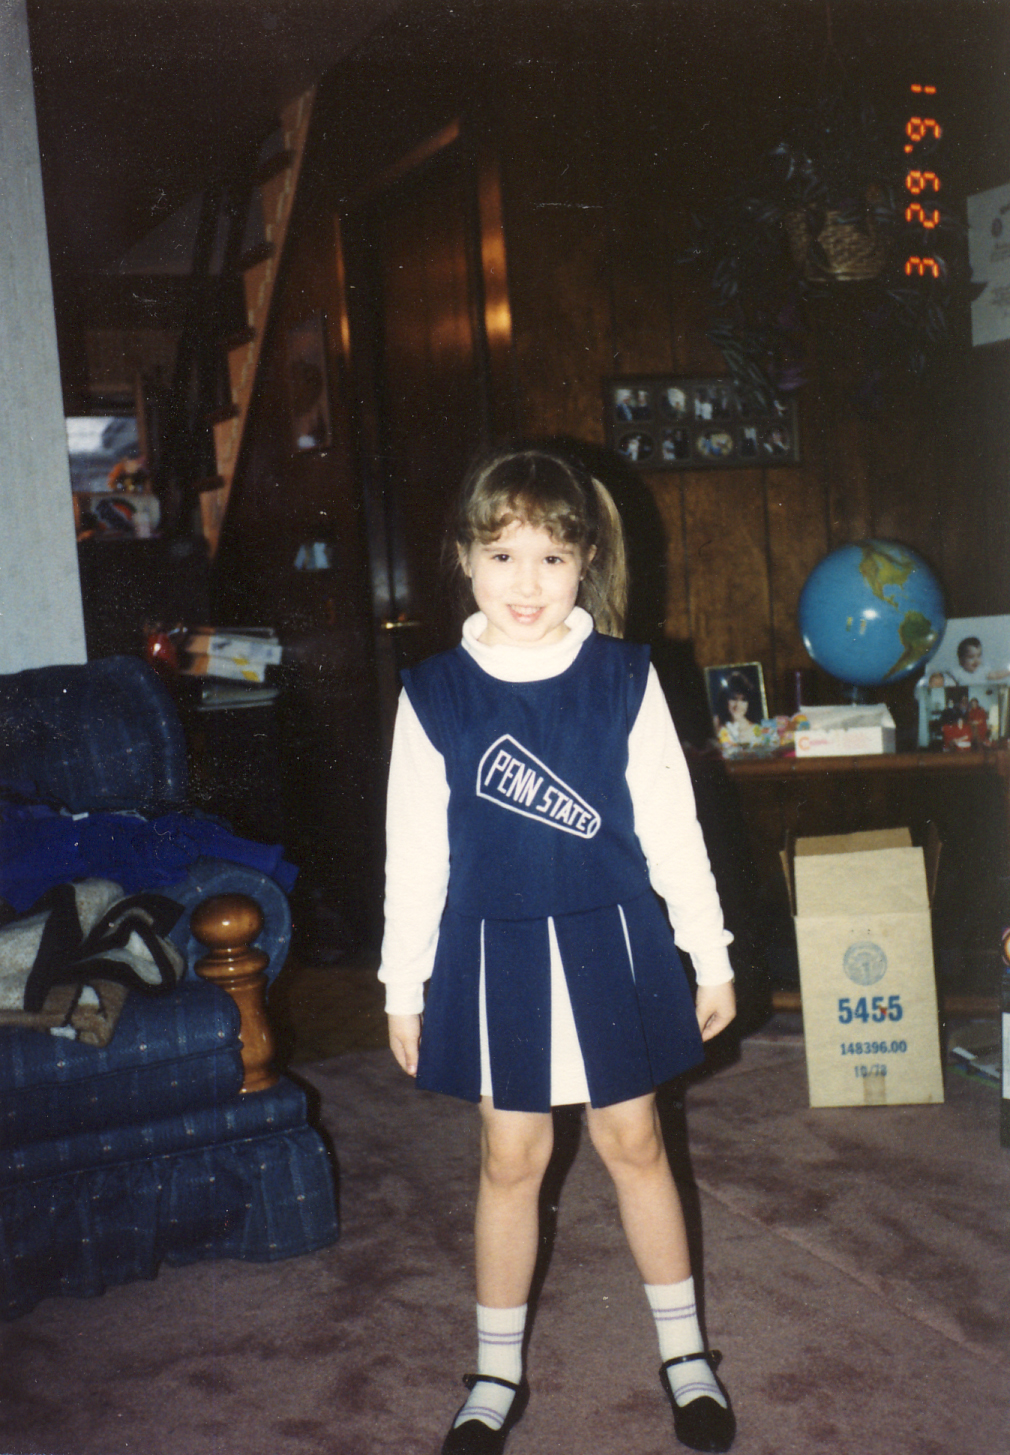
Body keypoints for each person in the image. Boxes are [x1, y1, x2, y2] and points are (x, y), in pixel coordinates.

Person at [379, 445, 737, 1455]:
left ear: (585, 561)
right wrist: (401, 983)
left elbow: (673, 830)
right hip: (493, 956)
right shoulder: (434, 694)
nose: (525, 584)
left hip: (612, 941)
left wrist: (706, 953)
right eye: (501, 556)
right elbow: (415, 854)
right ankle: (494, 1370)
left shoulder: (623, 678)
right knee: (510, 1157)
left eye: (550, 557)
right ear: (463, 560)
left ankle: (683, 1353)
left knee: (635, 1144)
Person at [712, 671, 763, 750]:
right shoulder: (717, 724)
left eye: (743, 700)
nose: (738, 705)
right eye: (733, 699)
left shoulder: (757, 729)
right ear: (725, 700)